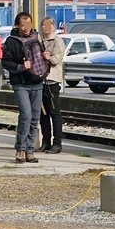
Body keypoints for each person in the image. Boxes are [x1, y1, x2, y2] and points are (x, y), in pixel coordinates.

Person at [1, 12, 45, 163]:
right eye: (22, 25)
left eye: (28, 25)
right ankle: (20, 148)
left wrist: (47, 58)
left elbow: (43, 58)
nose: (26, 28)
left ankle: (29, 150)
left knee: (35, 118)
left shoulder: (37, 38)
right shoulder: (11, 41)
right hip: (20, 83)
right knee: (25, 115)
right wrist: (20, 67)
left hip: (37, 82)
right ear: (17, 25)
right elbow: (6, 62)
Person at [38, 16, 66, 154]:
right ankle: (45, 141)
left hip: (52, 81)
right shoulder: (39, 41)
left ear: (53, 26)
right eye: (43, 25)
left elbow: (56, 59)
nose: (46, 27)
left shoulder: (58, 41)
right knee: (43, 114)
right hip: (40, 81)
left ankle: (57, 142)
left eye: (48, 25)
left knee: (54, 112)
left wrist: (48, 57)